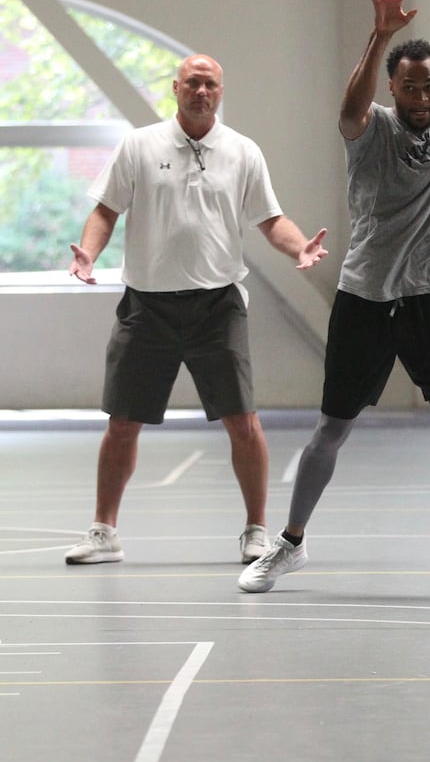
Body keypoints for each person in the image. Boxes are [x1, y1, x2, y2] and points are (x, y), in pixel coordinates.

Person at [238, 0, 430, 599]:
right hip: (365, 297)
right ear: (392, 89)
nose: (422, 95)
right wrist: (379, 34)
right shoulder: (371, 130)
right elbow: (347, 110)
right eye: (410, 86)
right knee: (330, 431)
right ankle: (289, 546)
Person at [64, 54, 329, 566]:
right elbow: (106, 208)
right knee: (122, 422)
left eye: (209, 84)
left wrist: (298, 248)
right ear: (175, 88)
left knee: (242, 421)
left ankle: (256, 530)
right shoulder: (139, 145)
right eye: (192, 83)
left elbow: (270, 219)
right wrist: (88, 254)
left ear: (221, 91)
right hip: (147, 306)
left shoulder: (242, 151)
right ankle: (104, 533)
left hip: (217, 306)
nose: (201, 91)